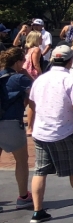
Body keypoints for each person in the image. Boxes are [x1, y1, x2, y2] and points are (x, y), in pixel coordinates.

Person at [25, 45, 73, 223]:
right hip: (64, 130)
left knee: (40, 170)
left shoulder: (40, 79)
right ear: (70, 61)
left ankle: (37, 211)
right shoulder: (70, 79)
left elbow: (31, 102)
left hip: (41, 132)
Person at [0, 47, 34, 211]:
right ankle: (23, 196)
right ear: (18, 62)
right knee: (21, 160)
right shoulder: (19, 78)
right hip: (12, 123)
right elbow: (35, 93)